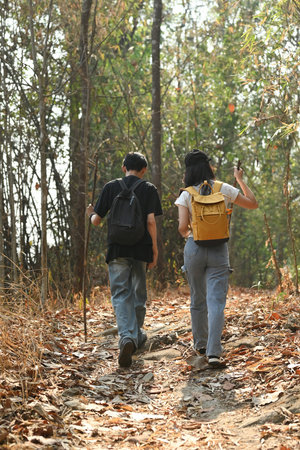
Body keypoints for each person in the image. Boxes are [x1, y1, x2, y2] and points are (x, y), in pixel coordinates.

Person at [175, 149, 258, 368]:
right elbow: (252, 202)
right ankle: (213, 353)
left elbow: (182, 227)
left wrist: (193, 234)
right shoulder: (223, 188)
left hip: (194, 248)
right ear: (208, 167)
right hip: (219, 249)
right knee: (216, 302)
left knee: (197, 298)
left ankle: (200, 344)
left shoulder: (186, 194)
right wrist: (239, 179)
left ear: (188, 171)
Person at [86, 152, 162, 368]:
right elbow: (150, 223)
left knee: (120, 293)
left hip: (117, 248)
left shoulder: (111, 187)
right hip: (141, 249)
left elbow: (97, 222)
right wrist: (154, 250)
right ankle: (135, 335)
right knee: (138, 293)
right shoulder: (148, 189)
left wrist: (90, 213)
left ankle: (127, 337)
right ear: (144, 170)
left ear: (123, 167)